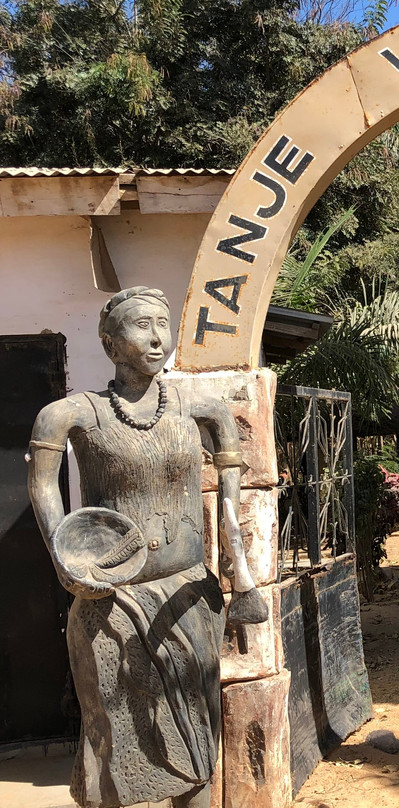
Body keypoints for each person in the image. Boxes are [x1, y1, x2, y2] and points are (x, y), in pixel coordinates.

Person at [26, 287, 268, 808]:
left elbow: (231, 491)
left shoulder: (203, 410)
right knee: (112, 742)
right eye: (142, 326)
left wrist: (237, 566)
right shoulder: (70, 414)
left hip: (188, 597)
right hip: (110, 600)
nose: (157, 338)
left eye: (163, 324)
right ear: (110, 344)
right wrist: (64, 559)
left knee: (196, 741)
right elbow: (42, 485)